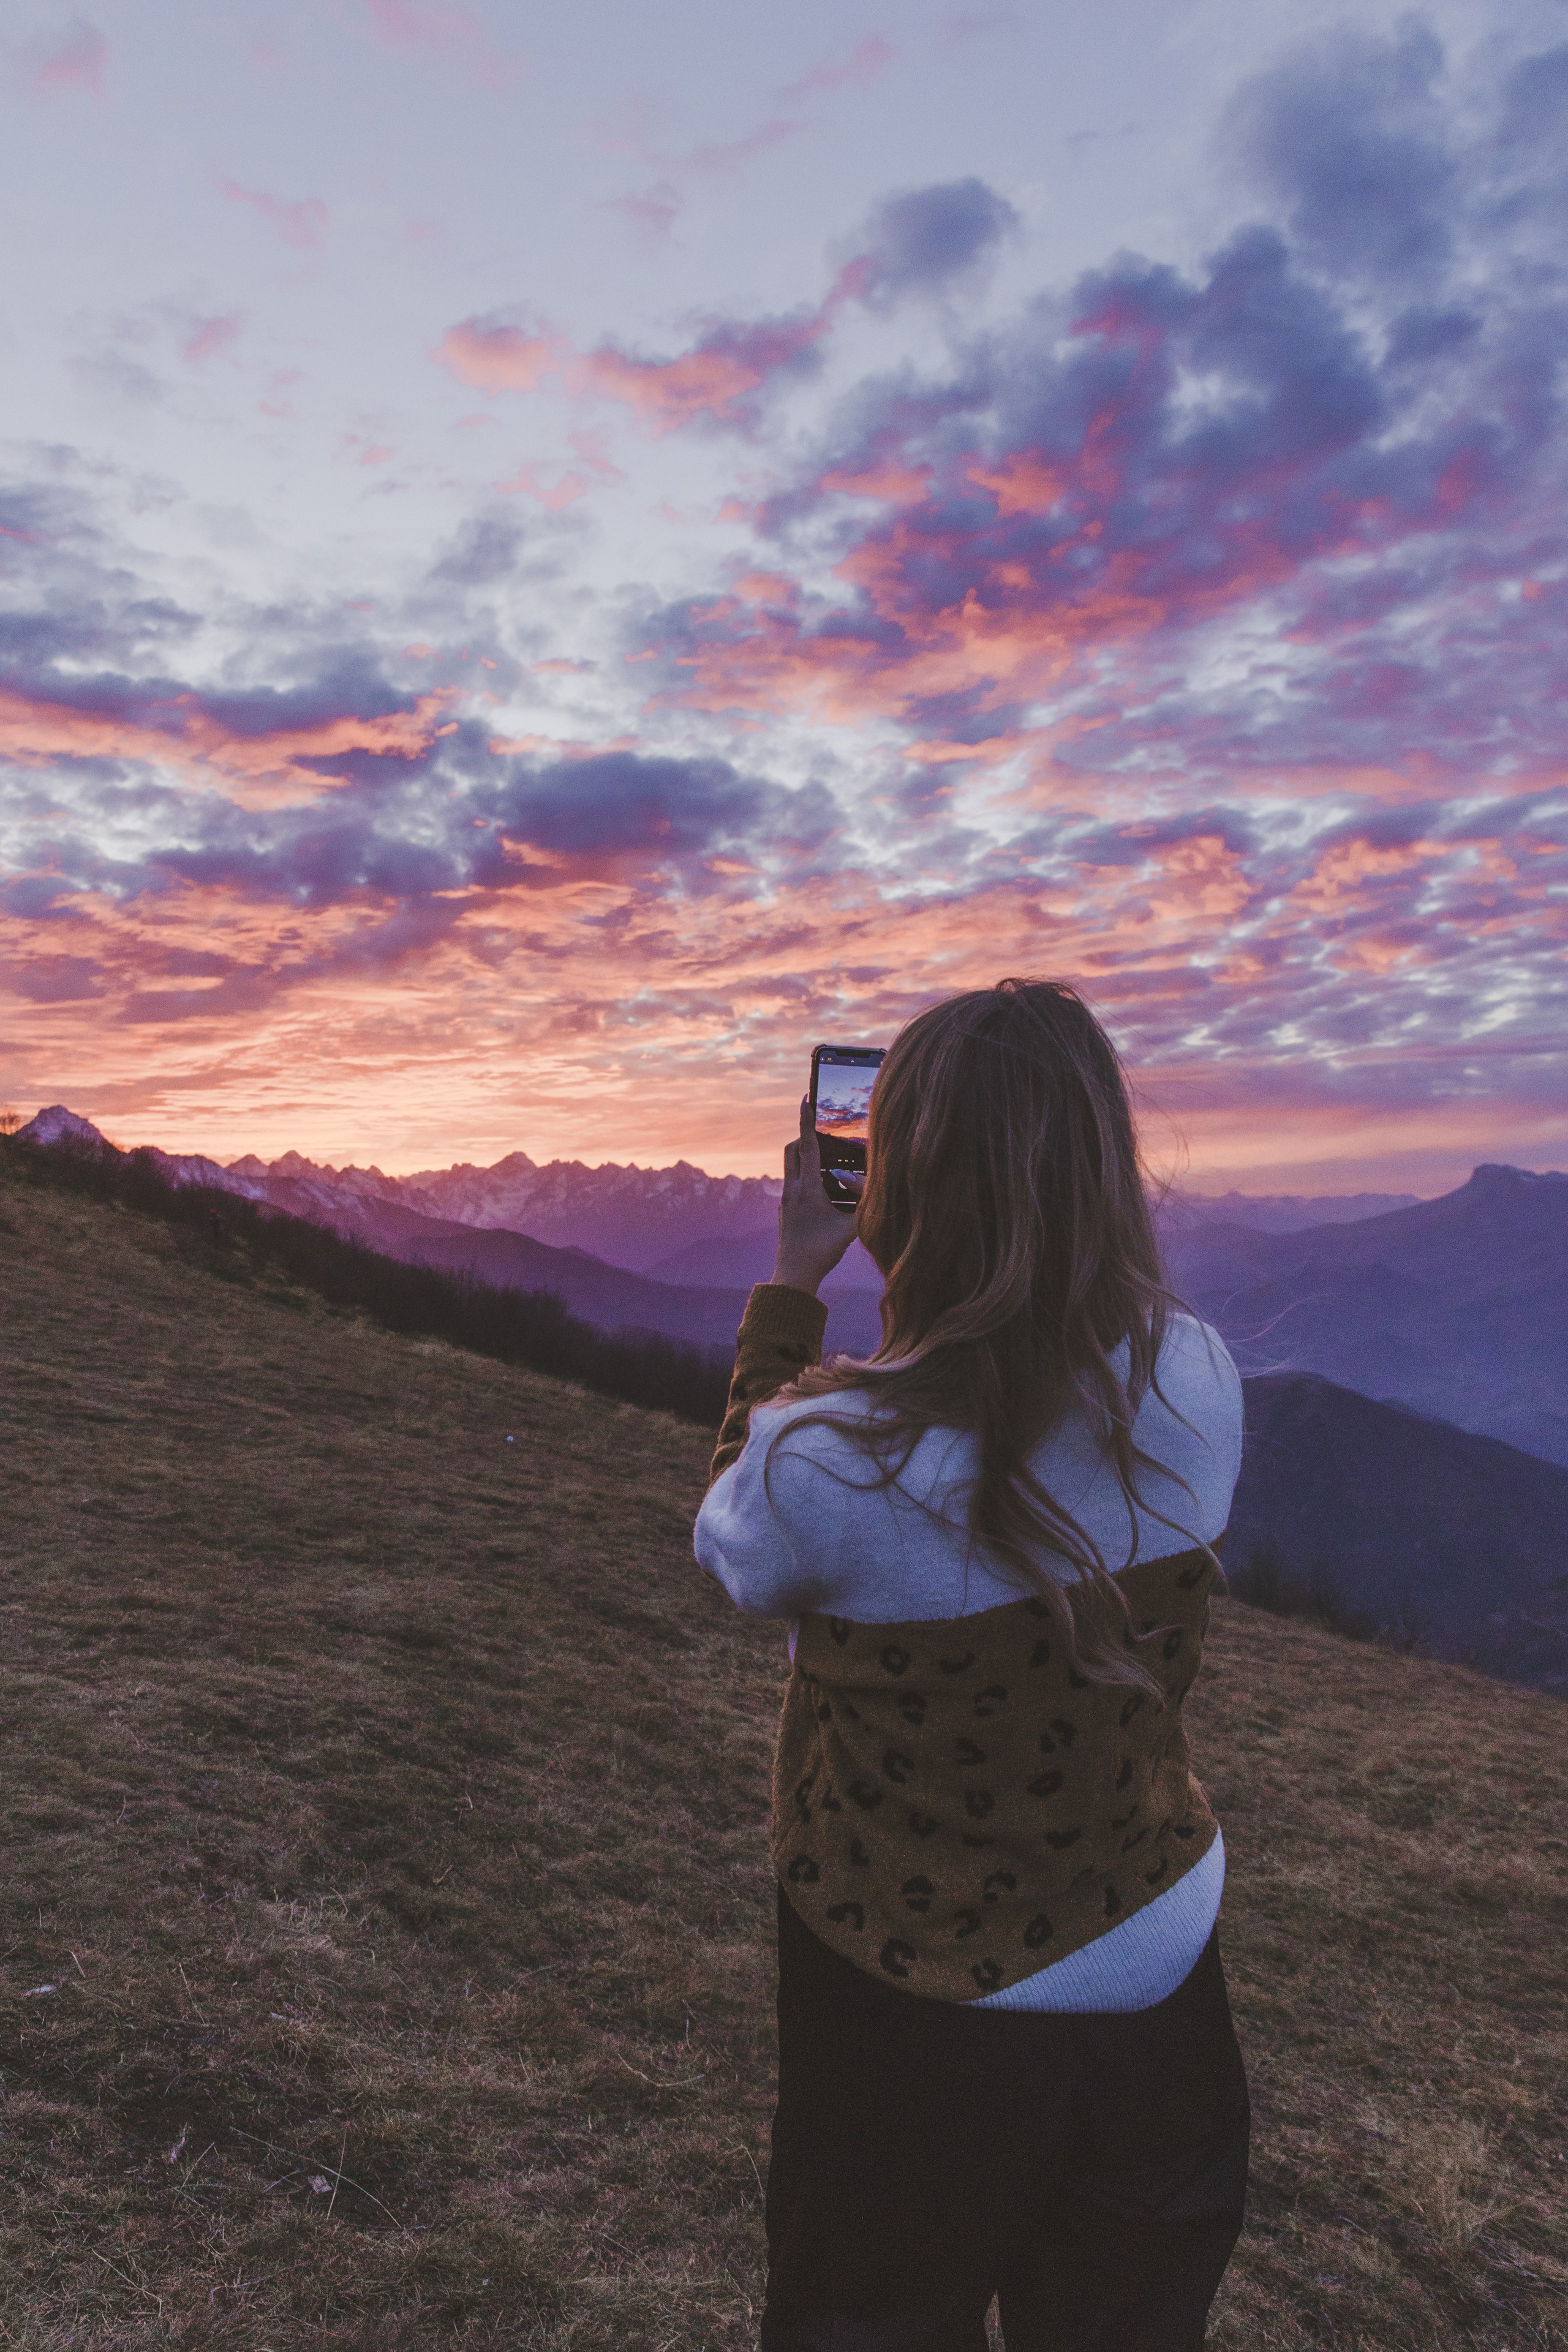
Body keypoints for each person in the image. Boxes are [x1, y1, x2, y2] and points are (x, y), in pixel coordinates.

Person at [693, 979, 1250, 2352]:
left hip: (906, 1998)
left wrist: (793, 1283)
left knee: (862, 2316)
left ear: (901, 1187)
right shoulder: (1193, 1377)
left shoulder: (823, 1459)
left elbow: (731, 1546)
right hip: (1156, 1974)